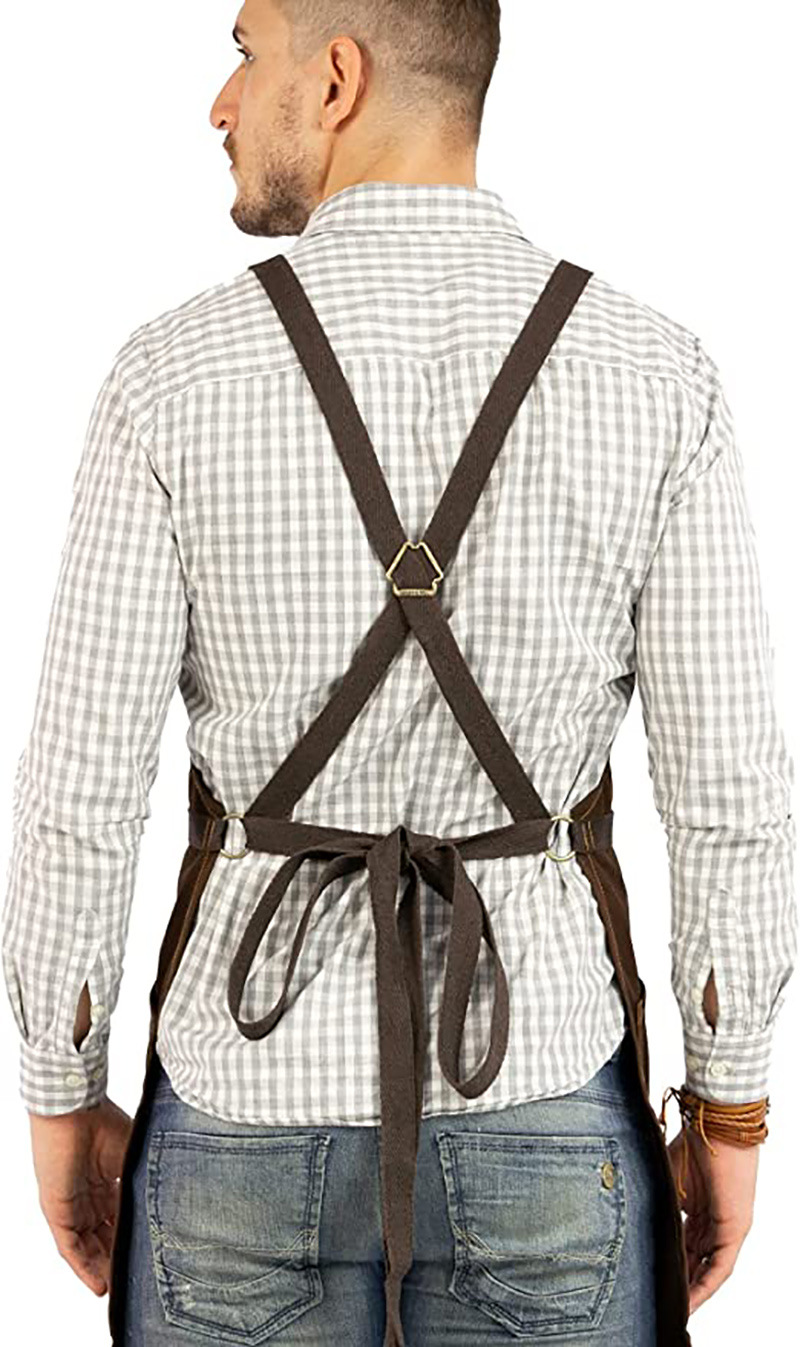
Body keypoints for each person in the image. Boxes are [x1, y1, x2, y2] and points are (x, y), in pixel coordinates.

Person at [3, 3, 795, 1344]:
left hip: (241, 1112)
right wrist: (731, 1109)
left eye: (244, 50)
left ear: (335, 77)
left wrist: (60, 1094)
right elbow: (731, 797)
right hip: (545, 1098)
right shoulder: (655, 373)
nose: (219, 102)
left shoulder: (170, 377)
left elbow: (80, 792)